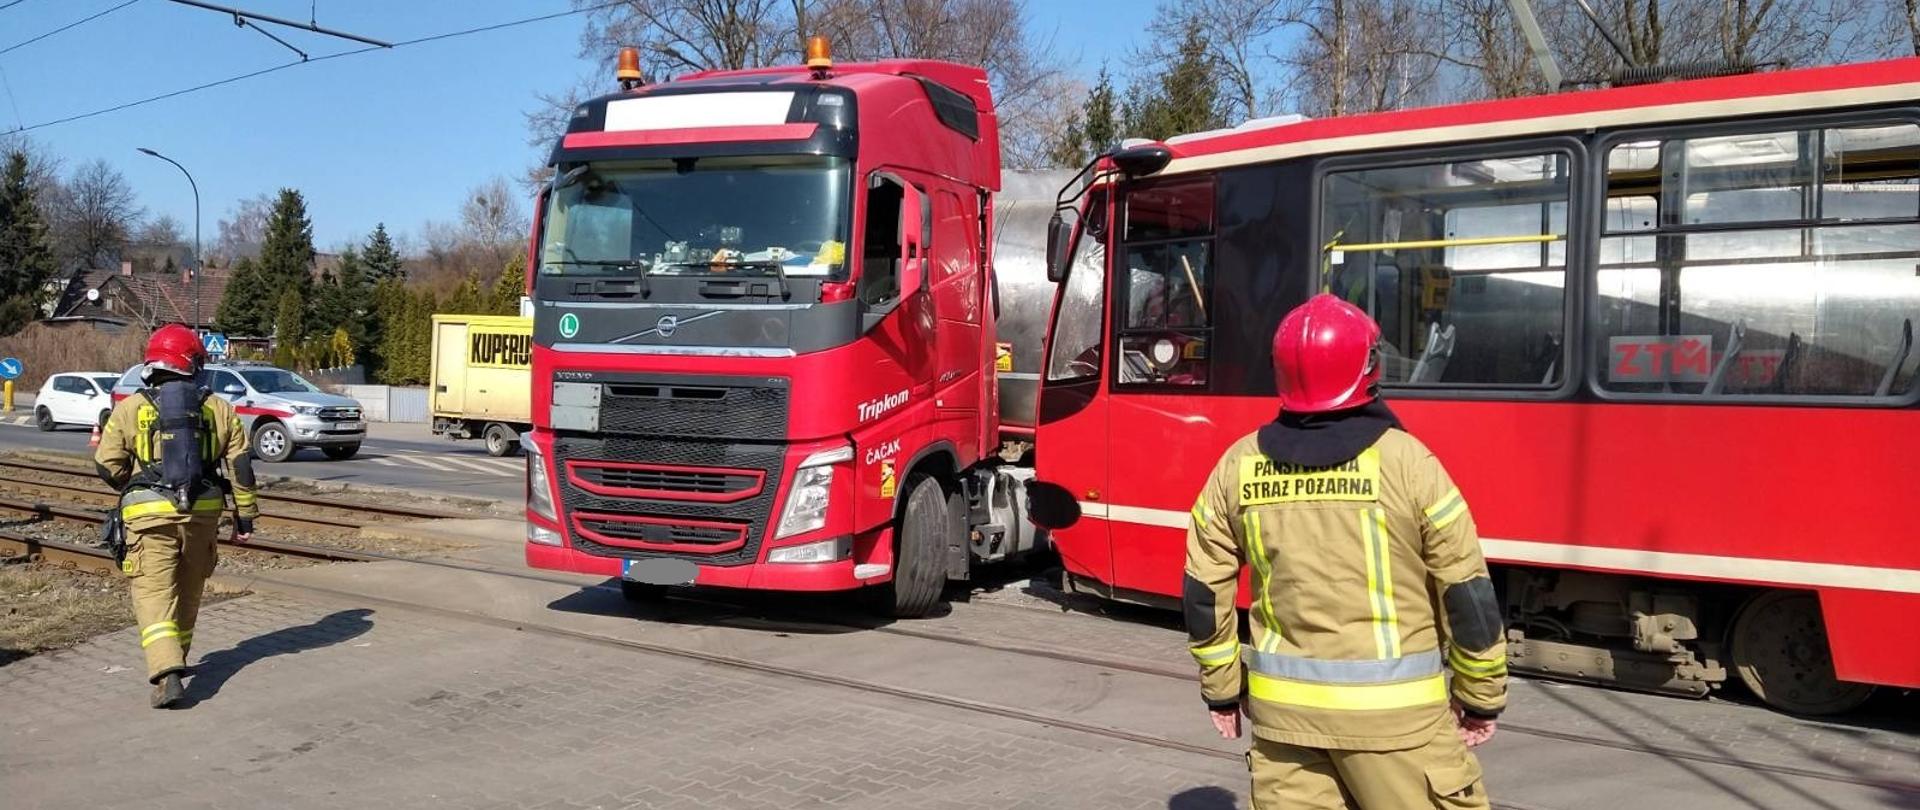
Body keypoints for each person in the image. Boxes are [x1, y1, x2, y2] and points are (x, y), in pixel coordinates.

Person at [1182, 294, 1507, 809]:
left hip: (1284, 722)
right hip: (1397, 725)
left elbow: (1204, 591)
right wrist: (1479, 695)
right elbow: (1466, 593)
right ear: (1369, 367)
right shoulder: (1409, 463)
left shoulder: (1238, 465)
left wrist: (1222, 689)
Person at [95, 324, 258, 708]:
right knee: (189, 588)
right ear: (193, 363)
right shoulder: (219, 408)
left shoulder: (130, 407)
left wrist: (135, 479)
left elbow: (108, 464)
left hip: (148, 515)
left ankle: (167, 671)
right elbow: (241, 467)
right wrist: (245, 517)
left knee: (154, 593)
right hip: (202, 512)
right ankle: (178, 657)